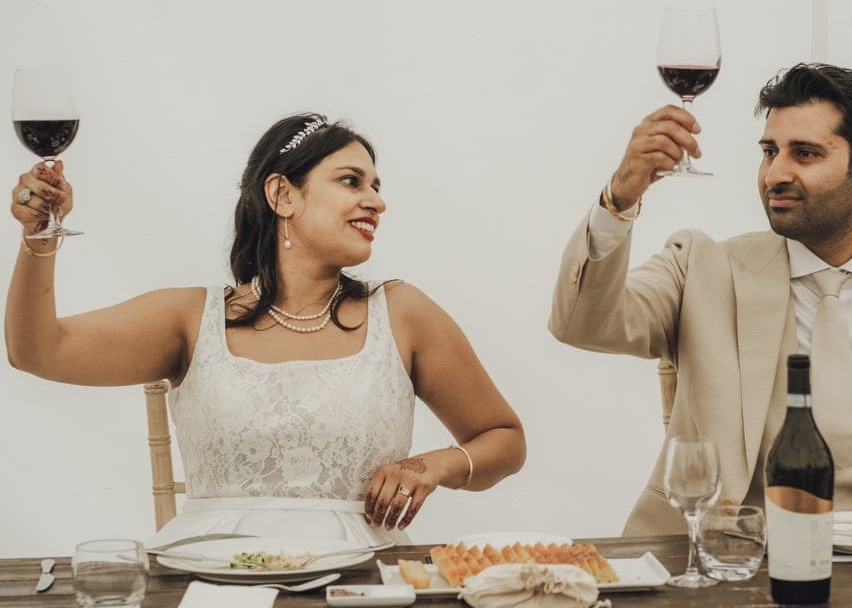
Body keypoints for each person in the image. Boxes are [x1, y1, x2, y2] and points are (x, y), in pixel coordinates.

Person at [7, 113, 526, 546]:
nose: (376, 200)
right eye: (351, 181)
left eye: (376, 186)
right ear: (282, 193)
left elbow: (503, 440)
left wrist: (432, 465)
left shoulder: (404, 313)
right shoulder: (189, 317)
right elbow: (37, 352)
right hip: (208, 578)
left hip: (363, 584)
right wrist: (40, 235)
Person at [549, 63, 852, 536]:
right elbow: (581, 322)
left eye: (804, 154)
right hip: (710, 567)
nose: (775, 174)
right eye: (769, 152)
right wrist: (619, 198)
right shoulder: (700, 267)